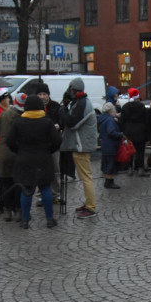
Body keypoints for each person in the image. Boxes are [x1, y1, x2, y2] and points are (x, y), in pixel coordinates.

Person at [7, 93, 63, 228]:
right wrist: (49, 150)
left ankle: (25, 220)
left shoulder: (19, 122)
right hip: (43, 158)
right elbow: (57, 140)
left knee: (26, 189)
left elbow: (9, 141)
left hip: (24, 159)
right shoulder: (47, 122)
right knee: (45, 188)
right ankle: (49, 219)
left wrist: (19, 151)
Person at [60, 77, 98, 218]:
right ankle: (88, 203)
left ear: (73, 90)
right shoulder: (80, 102)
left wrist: (63, 110)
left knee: (86, 177)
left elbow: (72, 123)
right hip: (80, 145)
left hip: (81, 146)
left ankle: (90, 207)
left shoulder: (82, 104)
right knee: (85, 177)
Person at [0, 91, 23, 222]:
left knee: (5, 183)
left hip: (3, 154)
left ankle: (7, 211)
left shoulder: (3, 115)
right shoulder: (23, 117)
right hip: (19, 154)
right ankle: (18, 211)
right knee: (18, 183)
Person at [119, 87, 149, 176]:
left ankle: (129, 168)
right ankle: (140, 169)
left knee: (130, 150)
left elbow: (122, 120)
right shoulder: (142, 107)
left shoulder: (125, 107)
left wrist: (123, 132)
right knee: (140, 151)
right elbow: (146, 120)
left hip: (128, 132)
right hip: (140, 131)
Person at [98, 102, 123, 190]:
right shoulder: (110, 120)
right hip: (111, 145)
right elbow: (111, 132)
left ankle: (109, 181)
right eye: (114, 111)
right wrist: (121, 134)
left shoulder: (103, 119)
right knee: (111, 164)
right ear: (110, 111)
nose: (115, 112)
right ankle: (108, 182)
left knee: (108, 163)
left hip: (105, 145)